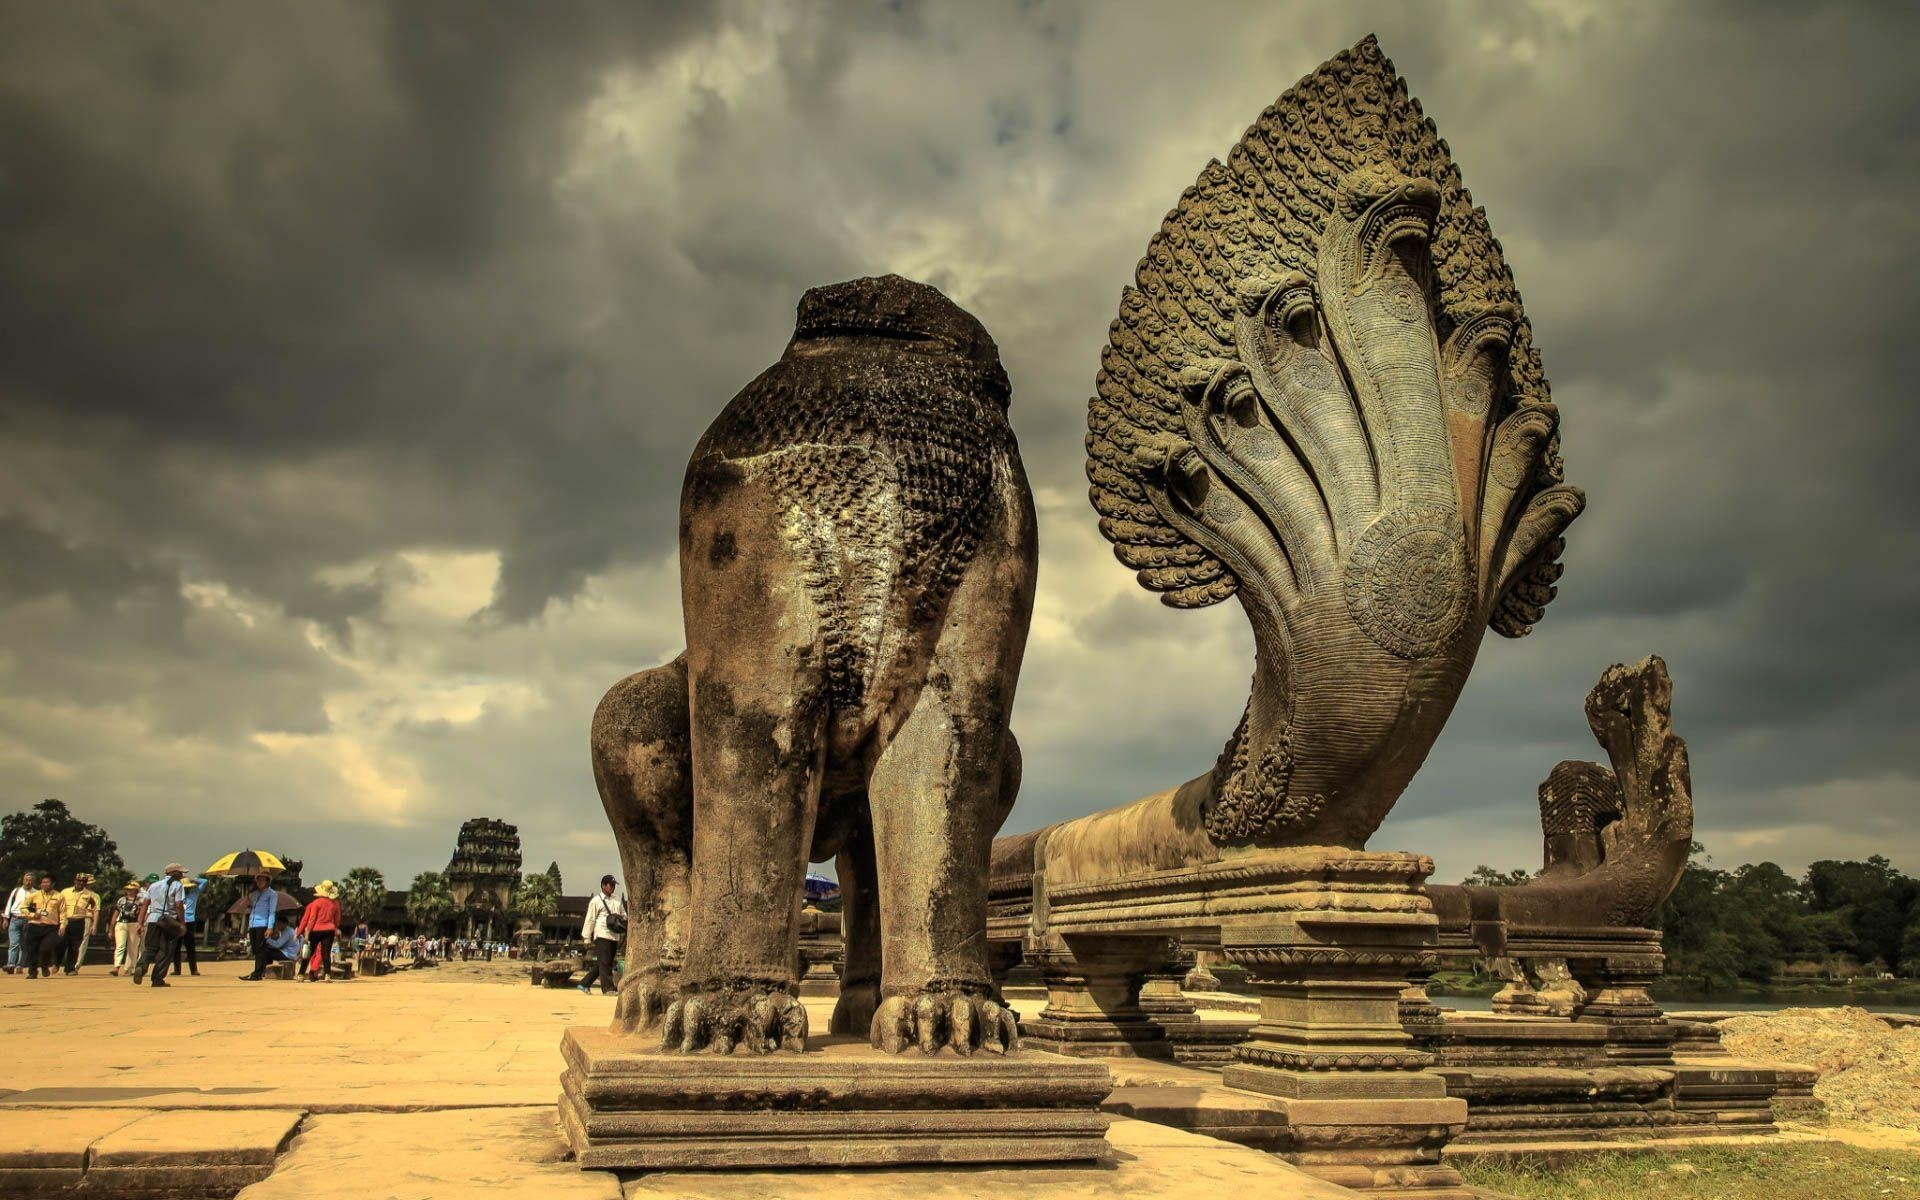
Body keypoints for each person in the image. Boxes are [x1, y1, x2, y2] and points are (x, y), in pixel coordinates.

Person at [130, 863, 187, 987]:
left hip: (153, 919)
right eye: (181, 872)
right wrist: (182, 923)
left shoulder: (154, 886)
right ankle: (157, 978)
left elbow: (145, 904)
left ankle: (141, 967)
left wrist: (140, 923)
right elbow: (178, 905)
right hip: (169, 921)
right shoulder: (177, 885)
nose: (183, 875)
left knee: (150, 947)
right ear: (173, 873)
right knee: (165, 951)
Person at [577, 874, 625, 996]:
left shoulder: (617, 899)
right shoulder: (596, 901)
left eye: (614, 885)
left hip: (614, 935)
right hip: (602, 934)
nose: (613, 887)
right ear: (603, 885)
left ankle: (584, 983)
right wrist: (587, 937)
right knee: (605, 963)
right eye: (611, 885)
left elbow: (624, 915)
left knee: (604, 963)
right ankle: (608, 988)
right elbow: (590, 919)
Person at [22, 875, 65, 979]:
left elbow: (63, 913)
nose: (45, 884)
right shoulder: (34, 895)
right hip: (34, 925)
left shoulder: (59, 896)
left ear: (52, 884)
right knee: (32, 950)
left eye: (47, 882)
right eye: (43, 882)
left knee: (45, 948)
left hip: (50, 927)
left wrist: (63, 926)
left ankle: (44, 965)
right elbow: (23, 907)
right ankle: (32, 972)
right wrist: (32, 914)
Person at [298, 880, 341, 982]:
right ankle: (327, 974)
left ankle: (301, 974)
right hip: (329, 930)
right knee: (326, 953)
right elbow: (337, 920)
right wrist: (334, 928)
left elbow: (312, 919)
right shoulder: (335, 904)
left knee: (309, 952)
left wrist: (307, 933)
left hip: (316, 930)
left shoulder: (316, 903)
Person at [240, 872, 279, 982]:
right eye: (258, 880)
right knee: (255, 949)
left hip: (263, 923)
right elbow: (249, 908)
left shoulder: (272, 894)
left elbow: (272, 911)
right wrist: (248, 901)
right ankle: (259, 971)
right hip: (253, 923)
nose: (260, 882)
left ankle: (257, 973)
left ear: (267, 881)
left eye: (263, 880)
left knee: (260, 949)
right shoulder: (254, 894)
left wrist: (270, 927)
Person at [58, 872, 100, 974]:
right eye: (78, 881)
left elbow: (96, 910)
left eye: (83, 882)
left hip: (81, 920)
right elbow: (58, 906)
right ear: (74, 881)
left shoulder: (92, 896)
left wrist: (94, 925)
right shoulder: (65, 892)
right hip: (65, 920)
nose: (80, 883)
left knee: (75, 945)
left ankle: (71, 967)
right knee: (60, 943)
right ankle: (57, 962)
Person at [4, 871, 35, 974]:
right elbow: (9, 904)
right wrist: (5, 918)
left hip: (28, 920)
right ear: (23, 880)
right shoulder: (16, 891)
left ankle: (20, 965)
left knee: (24, 945)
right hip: (15, 919)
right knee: (13, 943)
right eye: (26, 880)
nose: (28, 882)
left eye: (30, 880)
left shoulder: (36, 893)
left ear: (33, 881)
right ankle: (10, 964)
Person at [109, 880, 142, 976]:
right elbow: (116, 913)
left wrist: (140, 925)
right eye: (128, 889)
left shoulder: (140, 901)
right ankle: (116, 967)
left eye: (131, 889)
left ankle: (131, 968)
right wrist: (112, 926)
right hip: (121, 924)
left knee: (133, 947)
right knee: (120, 946)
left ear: (136, 890)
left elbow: (141, 914)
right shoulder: (121, 900)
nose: (129, 891)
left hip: (134, 924)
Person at [170, 877, 201, 977]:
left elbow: (204, 882)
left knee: (190, 947)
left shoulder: (194, 893)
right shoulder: (177, 895)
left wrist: (192, 879)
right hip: (178, 921)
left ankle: (194, 970)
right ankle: (177, 969)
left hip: (189, 921)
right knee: (176, 947)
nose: (185, 889)